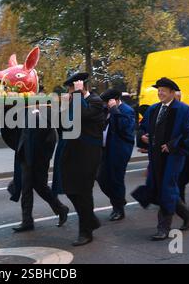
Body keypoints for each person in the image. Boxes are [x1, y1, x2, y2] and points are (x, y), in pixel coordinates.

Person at [132, 77, 189, 241]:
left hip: (173, 157)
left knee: (166, 189)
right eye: (159, 90)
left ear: (172, 93)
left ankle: (163, 228)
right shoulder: (153, 109)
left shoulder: (182, 109)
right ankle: (187, 213)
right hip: (155, 156)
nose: (160, 93)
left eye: (163, 91)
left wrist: (172, 145)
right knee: (159, 187)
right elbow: (143, 128)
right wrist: (144, 137)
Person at [52, 72, 106, 246]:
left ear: (81, 88)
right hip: (72, 153)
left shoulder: (96, 102)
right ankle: (91, 220)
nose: (68, 92)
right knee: (70, 189)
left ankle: (86, 231)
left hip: (88, 155)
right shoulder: (73, 103)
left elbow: (80, 116)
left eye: (71, 89)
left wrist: (77, 94)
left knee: (83, 192)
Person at [5, 107, 69, 233]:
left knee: (40, 186)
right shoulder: (22, 110)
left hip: (38, 156)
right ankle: (27, 220)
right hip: (26, 153)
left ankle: (61, 208)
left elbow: (50, 137)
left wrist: (41, 158)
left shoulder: (46, 111)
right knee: (26, 187)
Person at [97, 89, 135, 221]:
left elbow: (124, 128)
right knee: (101, 178)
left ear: (116, 100)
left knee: (116, 180)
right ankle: (119, 200)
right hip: (104, 150)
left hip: (119, 150)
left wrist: (114, 110)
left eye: (108, 102)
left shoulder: (126, 110)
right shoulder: (106, 110)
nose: (106, 105)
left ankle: (118, 209)